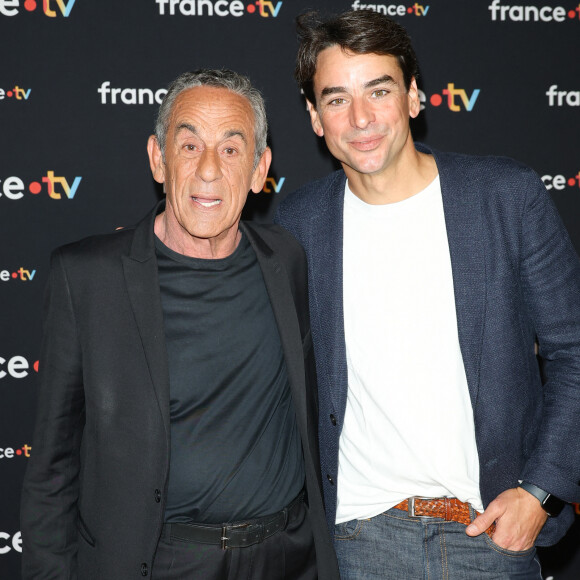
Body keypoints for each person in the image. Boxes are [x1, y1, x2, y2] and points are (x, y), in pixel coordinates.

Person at [275, 10, 580, 579]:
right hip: (358, 542)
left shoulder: (504, 199)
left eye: (379, 91)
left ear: (415, 97)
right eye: (337, 99)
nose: (361, 118)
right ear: (316, 119)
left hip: (490, 533)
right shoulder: (296, 228)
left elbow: (574, 351)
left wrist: (539, 494)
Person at [20, 69, 340, 580]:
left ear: (261, 170)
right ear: (158, 159)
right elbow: (53, 468)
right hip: (161, 564)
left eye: (232, 151)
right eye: (189, 145)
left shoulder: (289, 260)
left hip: (286, 558)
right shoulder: (86, 278)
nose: (209, 170)